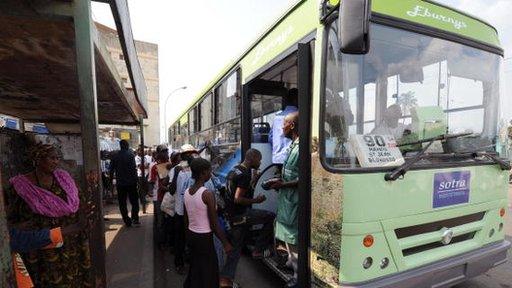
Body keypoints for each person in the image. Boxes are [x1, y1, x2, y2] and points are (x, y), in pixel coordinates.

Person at [6, 143, 93, 287]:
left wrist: (84, 219)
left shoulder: (64, 180)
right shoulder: (20, 186)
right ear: (38, 159)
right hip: (41, 244)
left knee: (72, 277)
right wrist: (20, 226)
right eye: (51, 158)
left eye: (57, 158)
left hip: (69, 240)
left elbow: (79, 203)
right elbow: (9, 218)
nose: (56, 161)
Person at [219, 148, 275, 288]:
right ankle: (258, 250)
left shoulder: (235, 169)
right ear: (253, 158)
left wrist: (255, 179)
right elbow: (238, 199)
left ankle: (226, 280)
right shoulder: (244, 175)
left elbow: (237, 190)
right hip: (240, 216)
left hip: (231, 215)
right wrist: (257, 200)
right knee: (270, 217)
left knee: (235, 249)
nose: (260, 162)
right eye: (259, 159)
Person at [183, 158, 232, 288]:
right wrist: (225, 243)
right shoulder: (207, 194)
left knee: (196, 267)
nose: (211, 173)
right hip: (204, 238)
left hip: (192, 235)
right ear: (202, 173)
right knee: (209, 271)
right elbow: (214, 224)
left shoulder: (187, 192)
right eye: (209, 171)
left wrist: (188, 236)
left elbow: (186, 219)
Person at [268, 112, 300, 287]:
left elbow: (305, 179)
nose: (282, 127)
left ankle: (298, 276)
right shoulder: (293, 145)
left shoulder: (302, 147)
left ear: (292, 126)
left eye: (284, 124)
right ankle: (290, 261)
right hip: (287, 199)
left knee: (292, 237)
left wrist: (283, 185)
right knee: (287, 236)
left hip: (293, 200)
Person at [173, 144, 200, 274]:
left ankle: (186, 261)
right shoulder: (178, 169)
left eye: (193, 154)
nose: (192, 156)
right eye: (189, 154)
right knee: (181, 239)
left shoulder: (196, 169)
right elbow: (173, 189)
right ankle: (180, 263)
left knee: (187, 239)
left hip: (189, 212)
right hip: (182, 212)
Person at [110, 140, 140, 227]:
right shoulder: (131, 155)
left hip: (120, 184)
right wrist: (136, 181)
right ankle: (135, 218)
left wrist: (111, 181)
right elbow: (133, 169)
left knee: (122, 203)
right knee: (134, 201)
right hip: (131, 183)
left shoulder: (115, 156)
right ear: (126, 145)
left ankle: (127, 220)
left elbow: (111, 170)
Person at [270, 88, 298, 164]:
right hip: (292, 159)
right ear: (296, 100)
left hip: (277, 159)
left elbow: (270, 138)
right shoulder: (298, 116)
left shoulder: (277, 117)